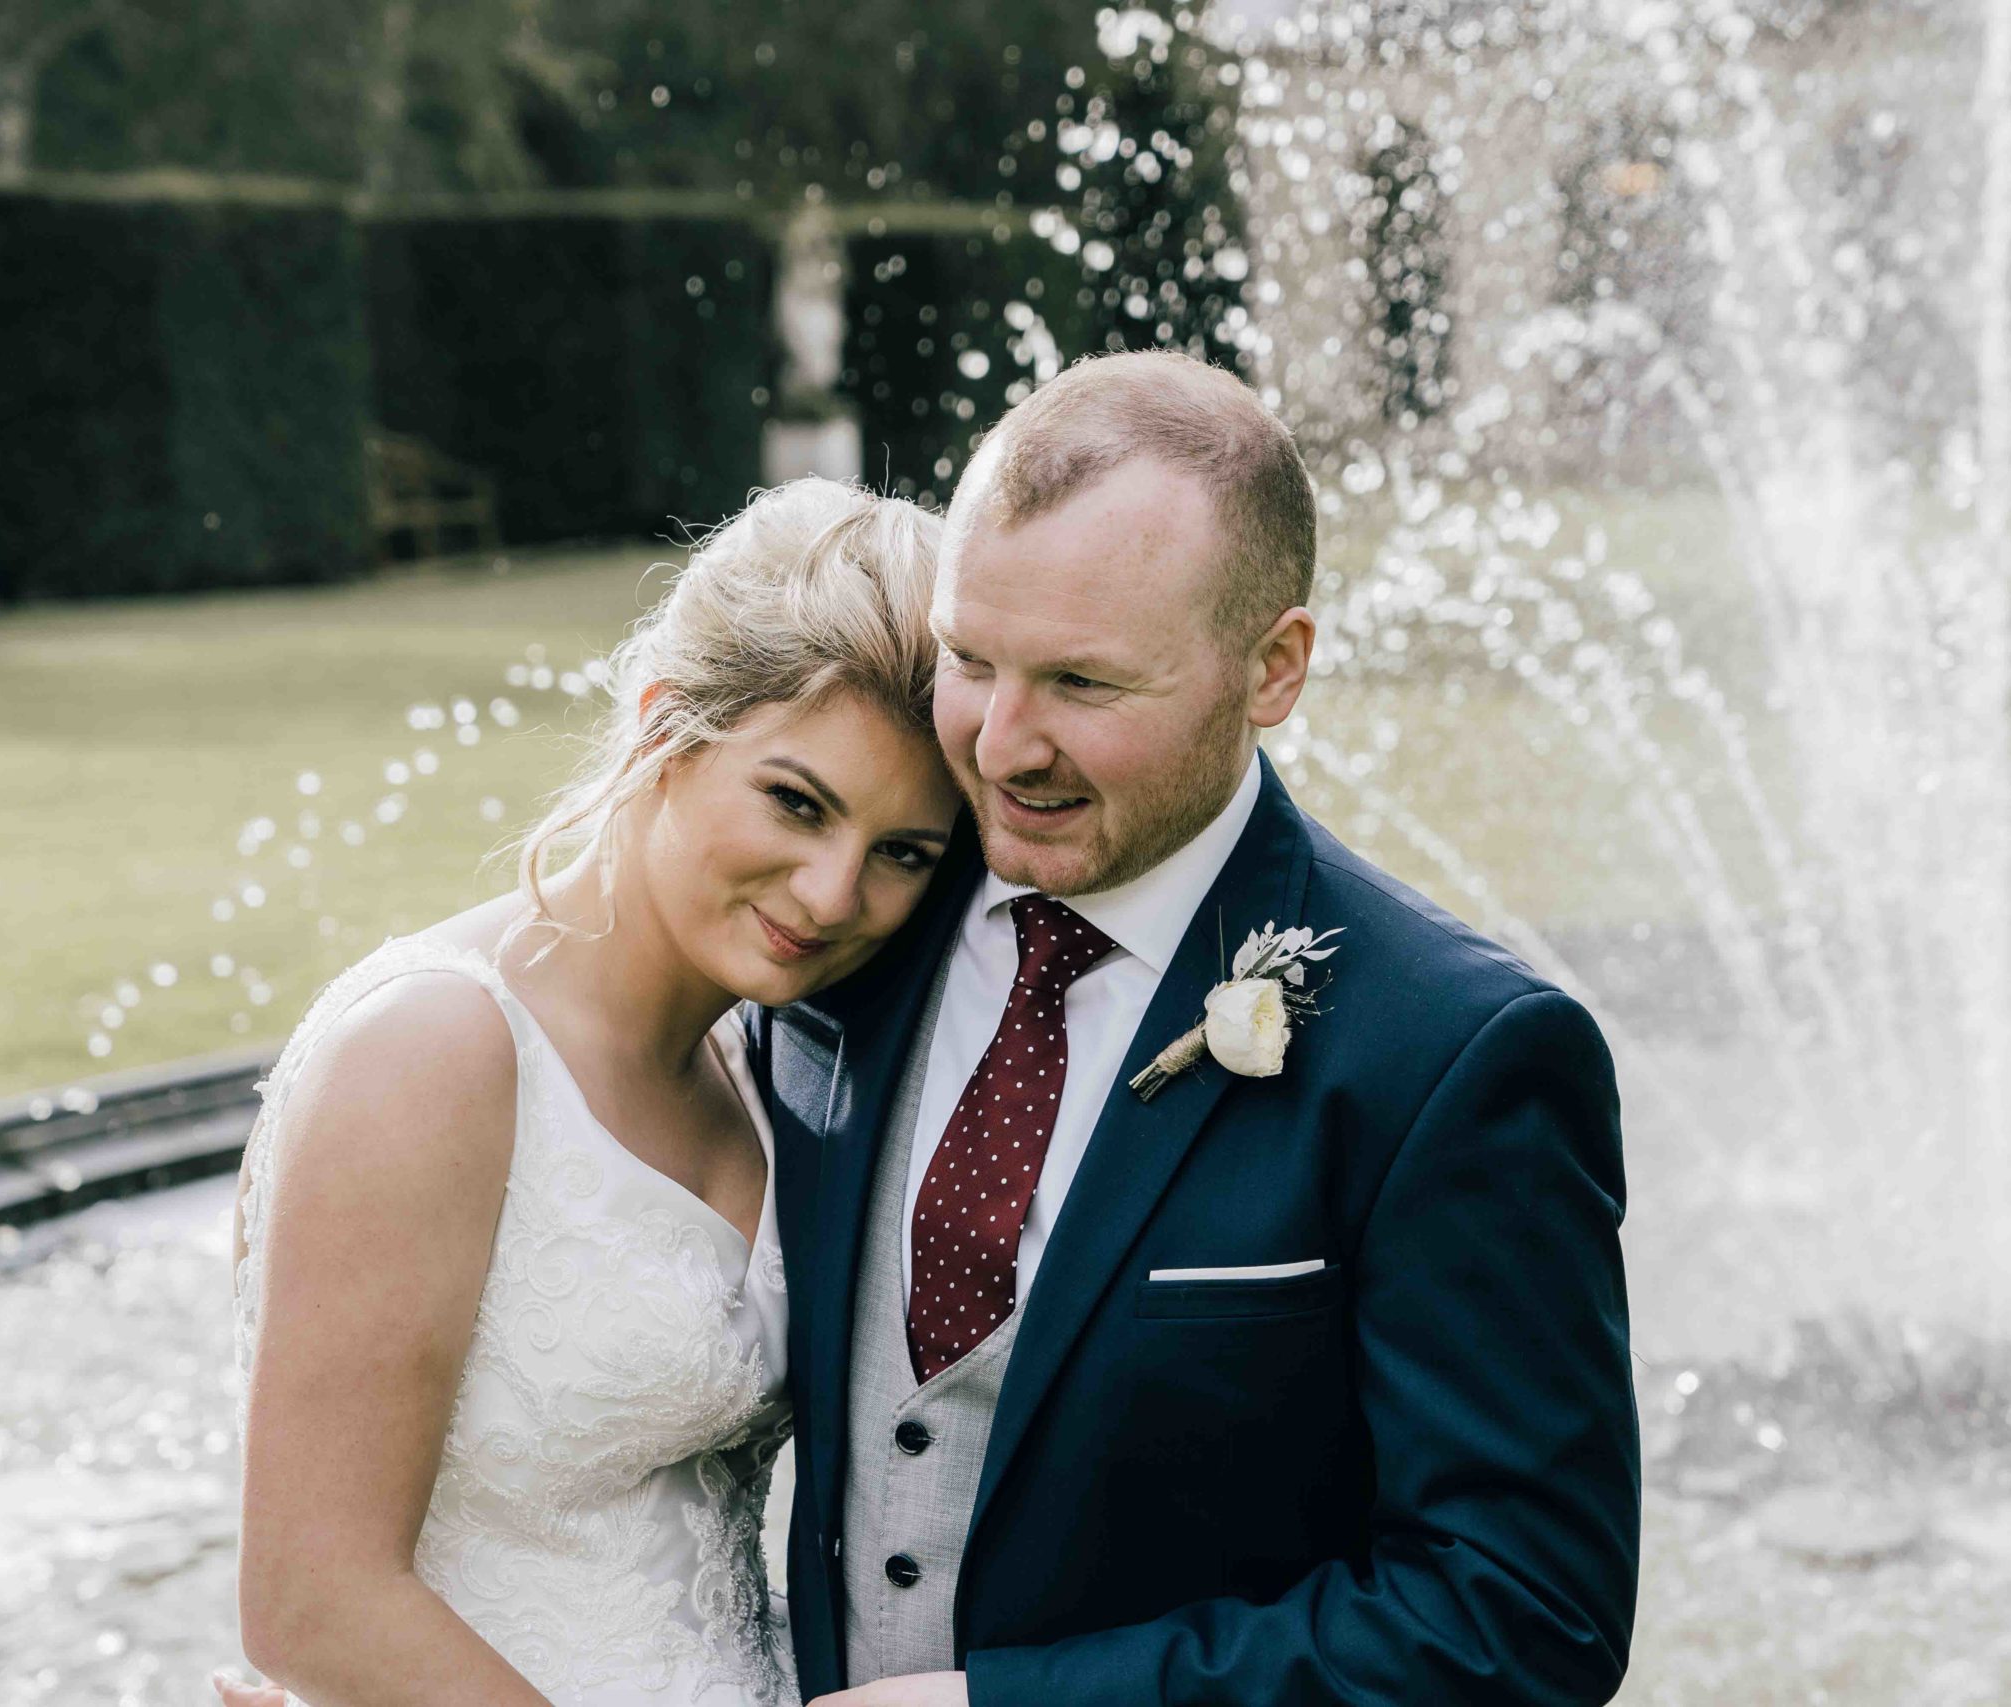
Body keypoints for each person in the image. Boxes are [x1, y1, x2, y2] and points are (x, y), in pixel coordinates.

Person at [757, 349, 1639, 1706]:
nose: (999, 742)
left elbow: (1520, 1610)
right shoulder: (845, 924)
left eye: (1083, 684)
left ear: (1273, 667)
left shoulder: (1453, 1052)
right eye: (970, 658)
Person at [220, 477, 962, 1707]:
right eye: (795, 801)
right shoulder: (433, 1047)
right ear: (666, 724)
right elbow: (312, 1598)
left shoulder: (763, 1067)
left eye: (902, 855)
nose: (835, 896)